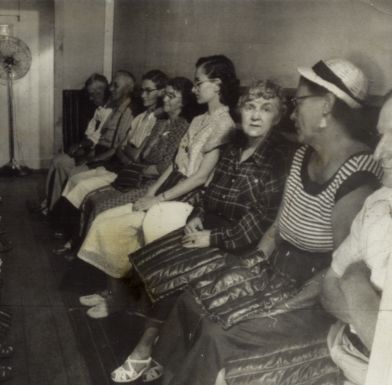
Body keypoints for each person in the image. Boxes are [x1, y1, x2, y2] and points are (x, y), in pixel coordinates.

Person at [149, 58, 382, 385]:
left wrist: (278, 305)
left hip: (312, 294)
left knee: (220, 330)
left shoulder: (358, 175)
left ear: (327, 106)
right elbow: (277, 226)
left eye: (297, 102)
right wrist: (254, 262)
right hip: (277, 268)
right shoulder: (303, 154)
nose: (291, 112)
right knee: (193, 299)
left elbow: (340, 272)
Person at [107, 80, 295, 383]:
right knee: (150, 259)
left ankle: (143, 352)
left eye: (266, 109)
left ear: (278, 116)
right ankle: (158, 350)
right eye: (250, 107)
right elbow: (211, 190)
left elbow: (263, 217)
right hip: (210, 226)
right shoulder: (233, 145)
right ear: (240, 111)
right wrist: (198, 215)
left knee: (175, 275)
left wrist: (214, 238)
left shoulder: (280, 158)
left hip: (241, 243)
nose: (256, 115)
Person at [216, 92, 392, 385]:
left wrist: (354, 280)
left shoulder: (358, 175)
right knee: (227, 372)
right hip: (344, 348)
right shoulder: (379, 203)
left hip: (374, 370)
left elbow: (339, 281)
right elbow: (329, 291)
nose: (379, 152)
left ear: (327, 107)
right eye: (382, 135)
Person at [76, 55, 239, 319]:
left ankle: (123, 300)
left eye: (199, 83)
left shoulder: (225, 125)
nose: (195, 88)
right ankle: (114, 293)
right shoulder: (198, 121)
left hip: (190, 199)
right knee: (104, 219)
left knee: (114, 227)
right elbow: (174, 166)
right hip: (170, 187)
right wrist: (149, 194)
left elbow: (199, 178)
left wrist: (158, 199)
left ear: (217, 85)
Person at [50, 70, 169, 253]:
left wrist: (125, 152)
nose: (143, 95)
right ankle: (68, 233)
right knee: (76, 179)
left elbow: (135, 154)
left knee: (81, 183)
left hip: (127, 171)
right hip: (118, 163)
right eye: (142, 91)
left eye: (148, 91)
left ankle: (76, 242)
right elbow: (122, 147)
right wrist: (126, 152)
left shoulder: (156, 121)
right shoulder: (138, 117)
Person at [45, 71, 135, 213]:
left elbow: (112, 145)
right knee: (58, 161)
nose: (91, 98)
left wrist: (87, 153)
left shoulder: (123, 112)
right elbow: (93, 134)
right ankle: (49, 204)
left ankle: (56, 209)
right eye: (90, 94)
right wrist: (83, 146)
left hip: (102, 158)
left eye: (96, 93)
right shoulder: (109, 110)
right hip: (95, 152)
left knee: (64, 165)